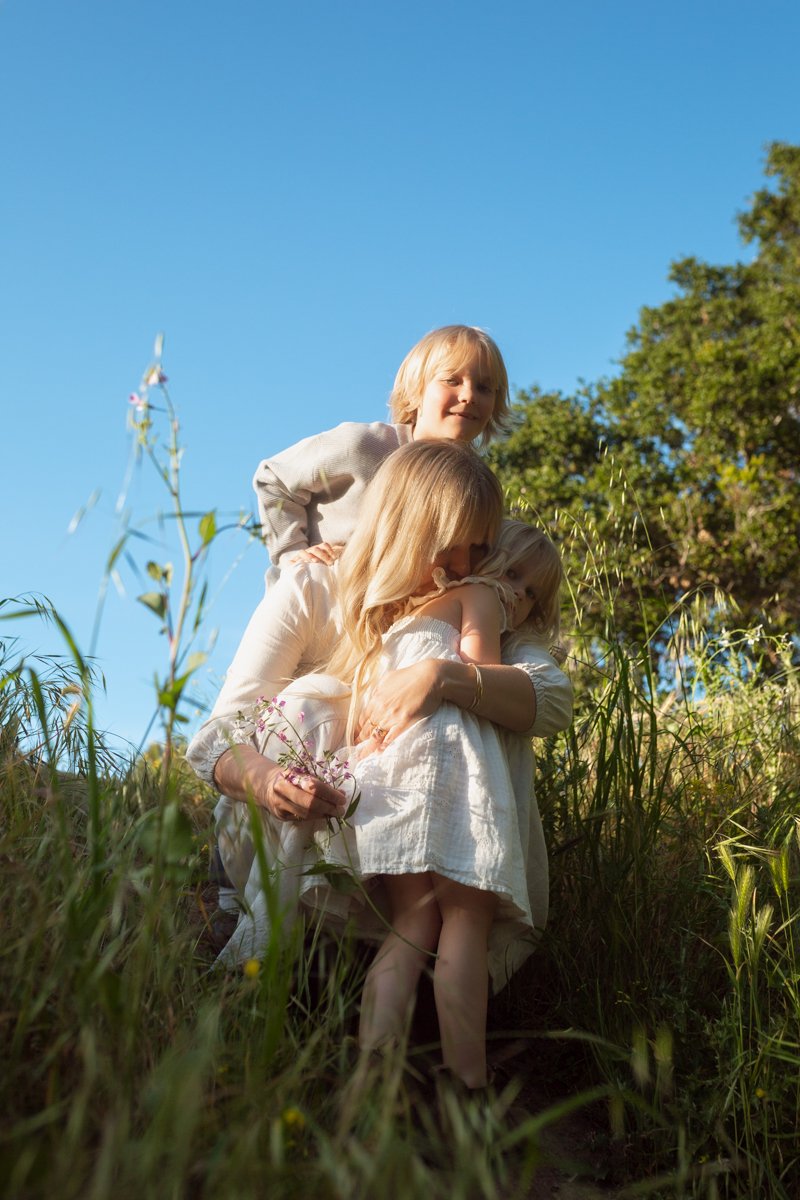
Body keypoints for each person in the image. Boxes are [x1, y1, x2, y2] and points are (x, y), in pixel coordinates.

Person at [185, 443, 572, 1088]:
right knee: (309, 708)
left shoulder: (459, 602)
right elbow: (217, 732)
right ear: (404, 523)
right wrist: (272, 783)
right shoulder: (322, 586)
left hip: (373, 811)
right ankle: (462, 1083)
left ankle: (374, 1070)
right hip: (339, 813)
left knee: (421, 915)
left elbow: (550, 700)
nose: (467, 567)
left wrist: (441, 675)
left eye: (479, 551)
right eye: (452, 546)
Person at [295, 496, 565, 1090]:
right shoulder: (483, 600)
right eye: (514, 574)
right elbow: (478, 676)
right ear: (484, 561)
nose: (518, 596)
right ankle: (467, 1081)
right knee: (465, 921)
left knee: (411, 927)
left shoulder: (406, 614)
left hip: (388, 774)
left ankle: (372, 1071)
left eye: (533, 595)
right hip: (448, 770)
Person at [253, 325, 510, 582]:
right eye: (451, 380)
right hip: (317, 603)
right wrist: (292, 554)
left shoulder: (475, 488)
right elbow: (273, 478)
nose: (468, 395)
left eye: (484, 388)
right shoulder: (363, 445)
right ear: (416, 389)